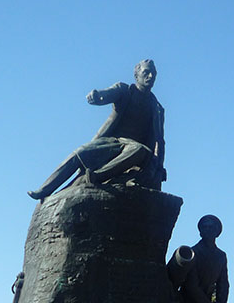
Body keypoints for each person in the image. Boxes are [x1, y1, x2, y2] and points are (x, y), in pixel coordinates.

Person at [28, 59, 166, 200]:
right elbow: (106, 94)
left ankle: (98, 176)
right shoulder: (124, 91)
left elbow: (159, 141)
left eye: (153, 73)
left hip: (134, 150)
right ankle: (45, 190)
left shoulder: (157, 109)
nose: (150, 76)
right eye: (146, 72)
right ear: (137, 75)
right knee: (80, 153)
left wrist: (158, 167)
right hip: (112, 142)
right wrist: (97, 95)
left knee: (139, 149)